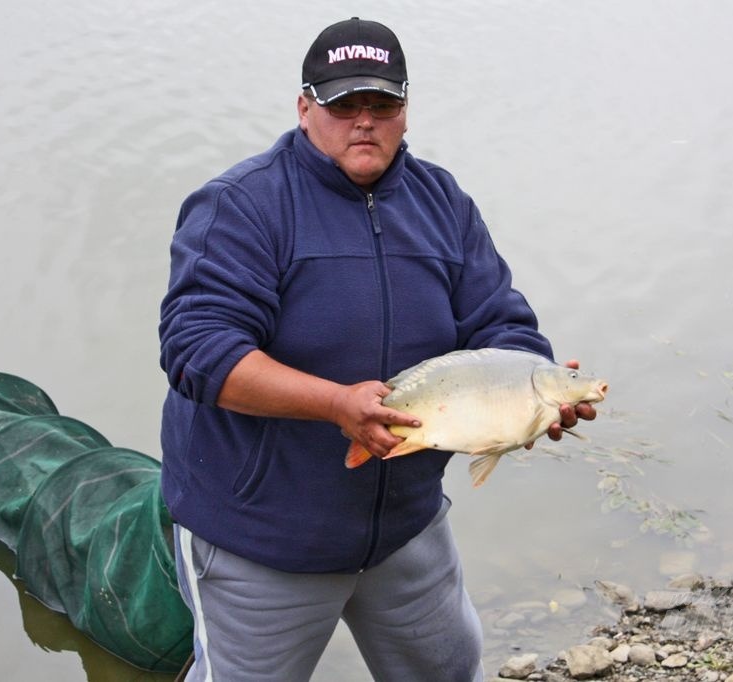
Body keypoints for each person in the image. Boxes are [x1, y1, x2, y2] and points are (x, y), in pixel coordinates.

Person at [159, 17, 596, 682]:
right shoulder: (243, 206)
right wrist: (336, 404)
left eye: (382, 104)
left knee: (450, 671)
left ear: (405, 109)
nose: (364, 121)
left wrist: (531, 389)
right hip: (262, 539)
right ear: (306, 108)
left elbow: (499, 321)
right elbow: (198, 351)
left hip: (405, 529)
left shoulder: (441, 202)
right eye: (343, 104)